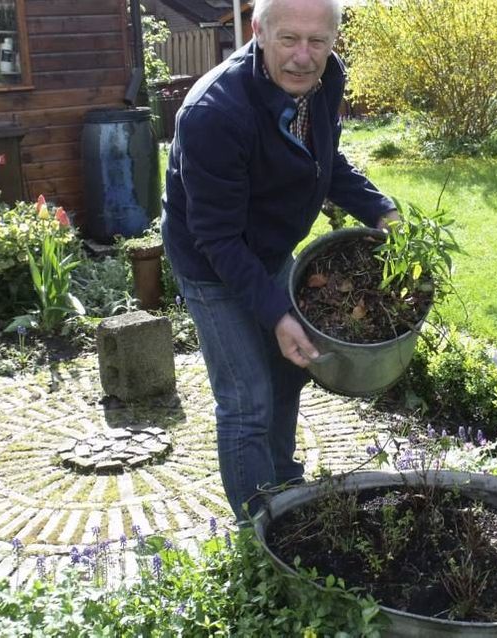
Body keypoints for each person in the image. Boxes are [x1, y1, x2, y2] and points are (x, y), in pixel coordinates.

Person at [162, 0, 397, 521]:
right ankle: (258, 530)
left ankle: (284, 491)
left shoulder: (326, 78)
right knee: (247, 398)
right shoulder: (215, 114)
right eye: (289, 39)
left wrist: (383, 212)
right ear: (258, 32)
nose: (303, 57)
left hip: (268, 245)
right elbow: (218, 238)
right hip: (210, 260)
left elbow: (326, 159)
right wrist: (278, 315)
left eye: (319, 41)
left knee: (288, 372)